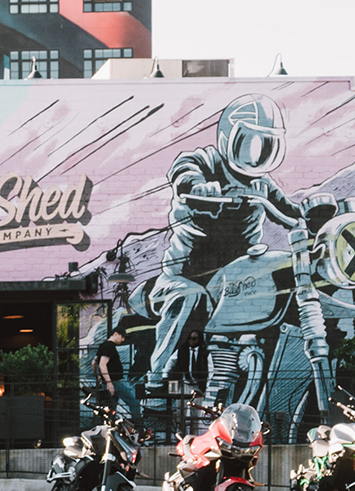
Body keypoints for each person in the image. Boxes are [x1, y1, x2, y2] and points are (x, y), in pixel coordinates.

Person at [143, 95, 303, 396]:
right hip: (185, 276)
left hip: (236, 281)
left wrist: (311, 216)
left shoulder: (262, 184)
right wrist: (196, 187)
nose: (256, 155)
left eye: (266, 145)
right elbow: (183, 170)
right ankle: (157, 376)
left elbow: (289, 211)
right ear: (229, 137)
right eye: (249, 143)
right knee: (190, 297)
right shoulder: (206, 161)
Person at [93, 325, 140, 422]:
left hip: (110, 382)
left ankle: (109, 429)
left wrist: (98, 376)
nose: (123, 340)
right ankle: (138, 428)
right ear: (115, 334)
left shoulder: (103, 346)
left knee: (110, 409)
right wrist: (109, 382)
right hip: (115, 382)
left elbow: (93, 363)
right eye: (122, 337)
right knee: (134, 402)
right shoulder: (110, 346)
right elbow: (102, 364)